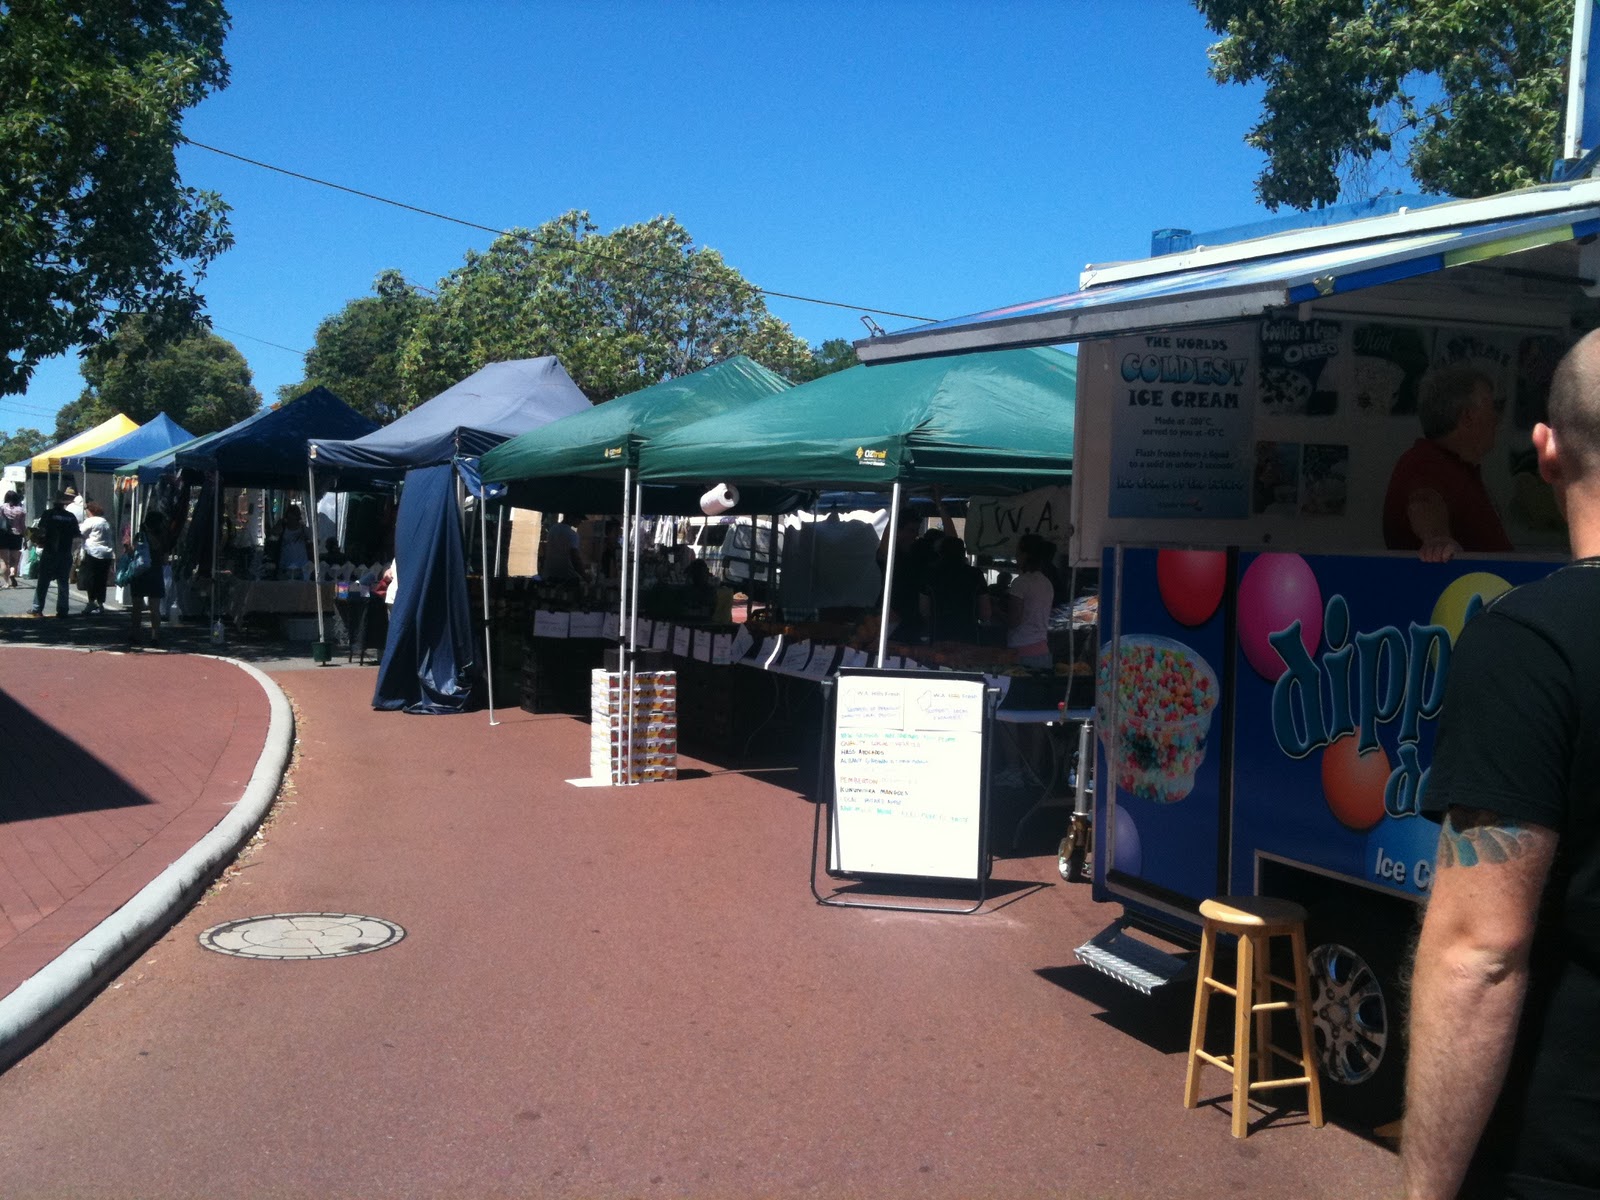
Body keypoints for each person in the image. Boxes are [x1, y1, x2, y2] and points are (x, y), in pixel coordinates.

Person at [1401, 328, 1600, 1199]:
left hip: (1562, 1151)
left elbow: (1480, 951)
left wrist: (1425, 1191)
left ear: (1545, 450)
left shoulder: (1528, 644)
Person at [1382, 364, 1515, 562]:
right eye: (1491, 407)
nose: (1497, 418)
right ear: (1468, 416)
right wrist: (1437, 540)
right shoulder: (1424, 463)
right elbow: (1423, 501)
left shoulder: (1458, 467)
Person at [1006, 533, 1055, 670]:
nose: (1016, 555)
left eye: (1018, 551)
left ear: (1025, 555)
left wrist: (996, 612)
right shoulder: (1047, 583)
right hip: (1043, 650)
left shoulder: (1020, 583)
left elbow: (1014, 621)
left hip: (1020, 652)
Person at [924, 535, 986, 642]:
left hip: (938, 635)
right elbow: (985, 613)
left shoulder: (930, 574)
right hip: (969, 636)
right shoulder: (975, 574)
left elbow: (924, 610)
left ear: (940, 553)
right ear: (963, 552)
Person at [28, 491, 80, 618]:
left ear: (54, 503)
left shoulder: (48, 514)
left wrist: (35, 537)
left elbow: (41, 531)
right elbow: (76, 534)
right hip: (65, 551)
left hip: (50, 551)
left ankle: (37, 608)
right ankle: (63, 609)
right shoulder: (70, 516)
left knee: (43, 581)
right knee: (63, 582)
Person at [127, 509, 172, 647]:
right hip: (155, 572)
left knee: (137, 606)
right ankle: (155, 636)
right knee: (155, 608)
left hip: (140, 573)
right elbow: (165, 559)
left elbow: (132, 552)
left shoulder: (140, 536)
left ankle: (135, 634)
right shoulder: (163, 537)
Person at [77, 500, 115, 614]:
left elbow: (80, 532)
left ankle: (91, 602)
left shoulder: (90, 521)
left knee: (91, 578)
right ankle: (101, 603)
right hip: (107, 553)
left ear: (90, 511)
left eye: (87, 510)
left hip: (93, 552)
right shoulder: (105, 522)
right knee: (102, 579)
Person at [277, 504, 312, 577]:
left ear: (298, 517)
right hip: (285, 566)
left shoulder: (303, 530)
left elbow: (315, 540)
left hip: (302, 567)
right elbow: (273, 534)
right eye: (290, 517)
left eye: (294, 517)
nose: (292, 520)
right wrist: (280, 523)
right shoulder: (282, 529)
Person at [0, 489, 24, 587]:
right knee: (15, 560)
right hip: (17, 535)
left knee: (4, 561)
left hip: (3, 534)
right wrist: (25, 538)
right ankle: (13, 572)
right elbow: (22, 526)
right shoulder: (21, 510)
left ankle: (6, 583)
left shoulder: (2, 508)